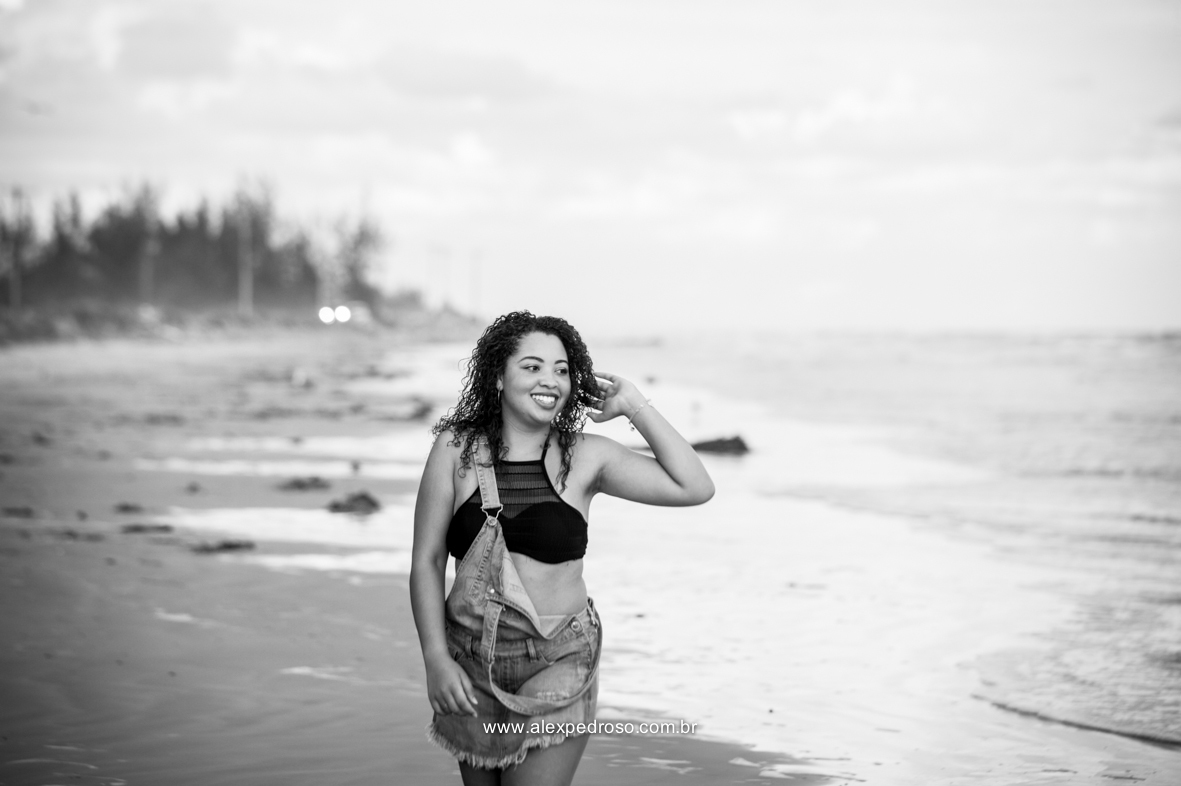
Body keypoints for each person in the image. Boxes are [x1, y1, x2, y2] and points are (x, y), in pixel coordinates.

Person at [410, 311, 714, 786]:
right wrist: (435, 658)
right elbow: (426, 561)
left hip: (561, 660)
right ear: (497, 378)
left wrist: (634, 405)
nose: (550, 380)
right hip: (470, 662)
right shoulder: (457, 449)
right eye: (532, 367)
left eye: (562, 369)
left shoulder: (588, 457)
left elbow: (695, 486)